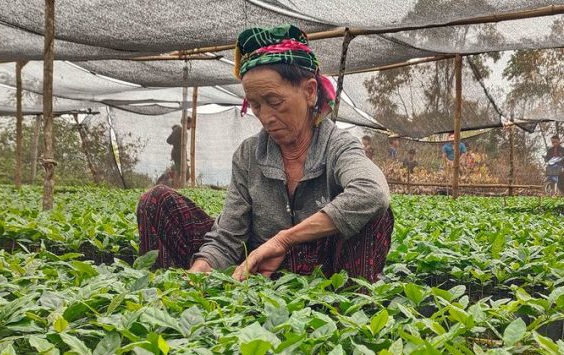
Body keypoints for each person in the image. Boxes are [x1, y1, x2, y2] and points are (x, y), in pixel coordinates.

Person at [137, 24, 393, 282]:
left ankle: (346, 310)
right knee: (156, 202)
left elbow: (372, 191)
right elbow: (228, 238)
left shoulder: (336, 145)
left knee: (374, 214)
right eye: (256, 105)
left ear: (309, 91)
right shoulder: (249, 154)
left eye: (275, 102)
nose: (266, 117)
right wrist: (200, 270)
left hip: (323, 271)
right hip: (258, 268)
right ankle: (170, 299)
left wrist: (284, 239)